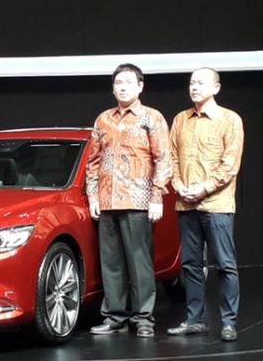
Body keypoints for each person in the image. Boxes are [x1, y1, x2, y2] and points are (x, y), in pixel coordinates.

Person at [86, 63, 172, 338]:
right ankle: (114, 317)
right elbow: (93, 161)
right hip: (108, 200)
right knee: (110, 263)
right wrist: (93, 196)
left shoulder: (151, 117)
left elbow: (163, 159)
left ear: (140, 86)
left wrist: (156, 195)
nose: (122, 87)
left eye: (127, 82)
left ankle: (144, 318)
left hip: (138, 200)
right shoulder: (103, 120)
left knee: (139, 263)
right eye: (117, 83)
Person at [166, 68, 244, 342]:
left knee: (225, 264)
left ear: (217, 87)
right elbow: (172, 159)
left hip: (217, 203)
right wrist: (178, 185)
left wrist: (203, 188)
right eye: (191, 82)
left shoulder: (229, 119)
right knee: (190, 265)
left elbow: (230, 164)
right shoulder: (180, 120)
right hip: (186, 204)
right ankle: (195, 319)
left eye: (200, 82)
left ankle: (229, 322)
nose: (194, 87)